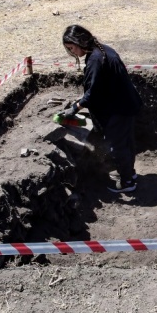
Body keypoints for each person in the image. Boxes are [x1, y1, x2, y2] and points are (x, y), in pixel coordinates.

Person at [59, 25, 143, 193]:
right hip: (126, 104)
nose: (73, 52)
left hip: (119, 109)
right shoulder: (102, 50)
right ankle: (130, 174)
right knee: (126, 143)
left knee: (118, 146)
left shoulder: (96, 59)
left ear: (79, 41)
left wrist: (75, 108)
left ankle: (127, 183)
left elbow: (93, 93)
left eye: (72, 48)